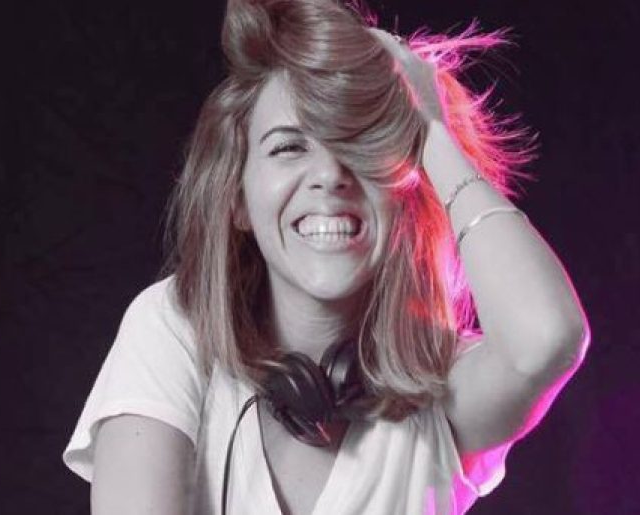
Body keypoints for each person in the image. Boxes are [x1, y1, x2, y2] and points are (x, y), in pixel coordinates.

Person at [62, 0, 589, 513]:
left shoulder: (444, 389)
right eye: (289, 147)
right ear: (238, 199)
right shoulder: (175, 327)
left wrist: (434, 133)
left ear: (407, 191)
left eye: (359, 147)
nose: (330, 176)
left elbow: (546, 340)